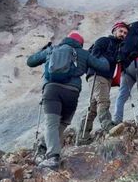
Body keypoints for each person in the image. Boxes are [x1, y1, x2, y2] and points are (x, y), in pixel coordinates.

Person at [27, 31, 109, 169]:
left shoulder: (52, 49)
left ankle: (52, 157)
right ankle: (46, 148)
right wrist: (103, 56)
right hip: (72, 93)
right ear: (80, 43)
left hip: (52, 90)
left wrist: (43, 51)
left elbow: (30, 62)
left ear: (66, 39)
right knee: (62, 124)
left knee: (51, 123)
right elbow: (104, 67)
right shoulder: (83, 53)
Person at [79, 21, 128, 143]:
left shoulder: (120, 47)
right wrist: (114, 59)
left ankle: (82, 136)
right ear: (114, 31)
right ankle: (108, 127)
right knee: (103, 101)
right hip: (97, 74)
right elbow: (94, 56)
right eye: (121, 31)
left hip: (105, 77)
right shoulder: (104, 41)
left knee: (93, 108)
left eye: (125, 33)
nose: (123, 34)